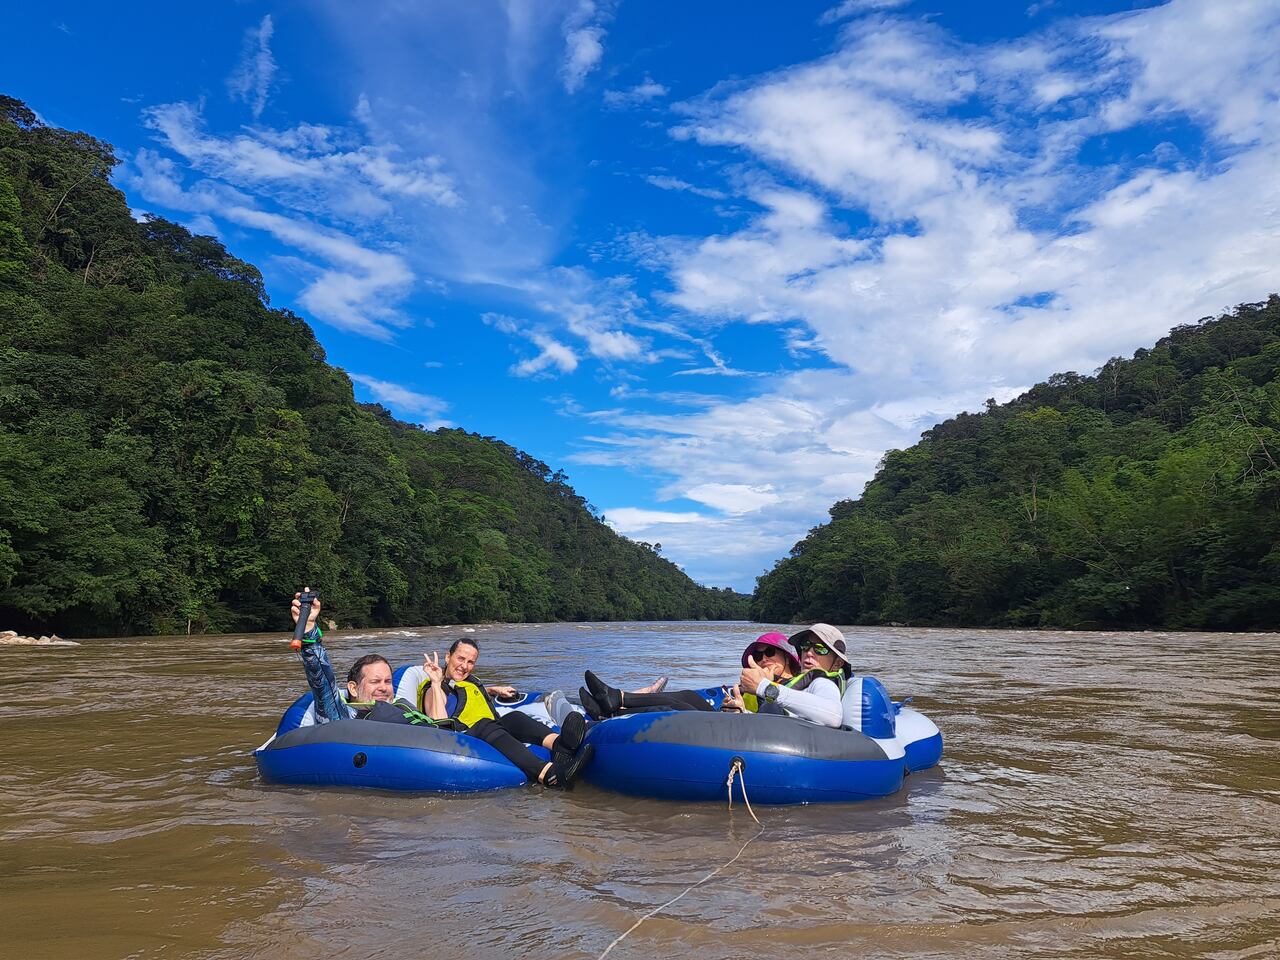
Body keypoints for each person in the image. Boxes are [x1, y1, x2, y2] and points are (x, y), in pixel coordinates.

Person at [291, 590, 592, 789]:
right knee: (488, 726)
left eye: (387, 681)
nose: (384, 688)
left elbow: (435, 722)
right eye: (375, 682)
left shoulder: (399, 706)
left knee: (502, 722)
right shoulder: (343, 712)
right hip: (423, 746)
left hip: (438, 736)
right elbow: (322, 679)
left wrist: (491, 689)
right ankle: (549, 776)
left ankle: (561, 749)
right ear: (354, 687)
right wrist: (310, 635)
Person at [580, 626, 848, 728]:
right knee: (685, 698)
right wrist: (740, 707)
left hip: (772, 743)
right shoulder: (788, 683)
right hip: (754, 730)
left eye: (820, 648)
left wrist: (765, 688)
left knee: (678, 709)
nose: (809, 653)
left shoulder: (821, 683)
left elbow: (832, 716)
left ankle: (608, 715)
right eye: (805, 647)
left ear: (835, 660)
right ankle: (615, 702)